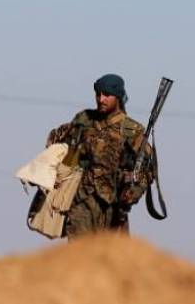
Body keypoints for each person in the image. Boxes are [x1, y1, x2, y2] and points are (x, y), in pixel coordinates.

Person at [45, 73, 153, 239]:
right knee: (80, 248)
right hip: (81, 197)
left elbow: (147, 168)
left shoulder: (131, 129)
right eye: (98, 94)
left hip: (114, 203)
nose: (101, 99)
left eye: (107, 95)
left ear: (118, 97)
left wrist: (134, 191)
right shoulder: (84, 120)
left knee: (113, 251)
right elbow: (63, 149)